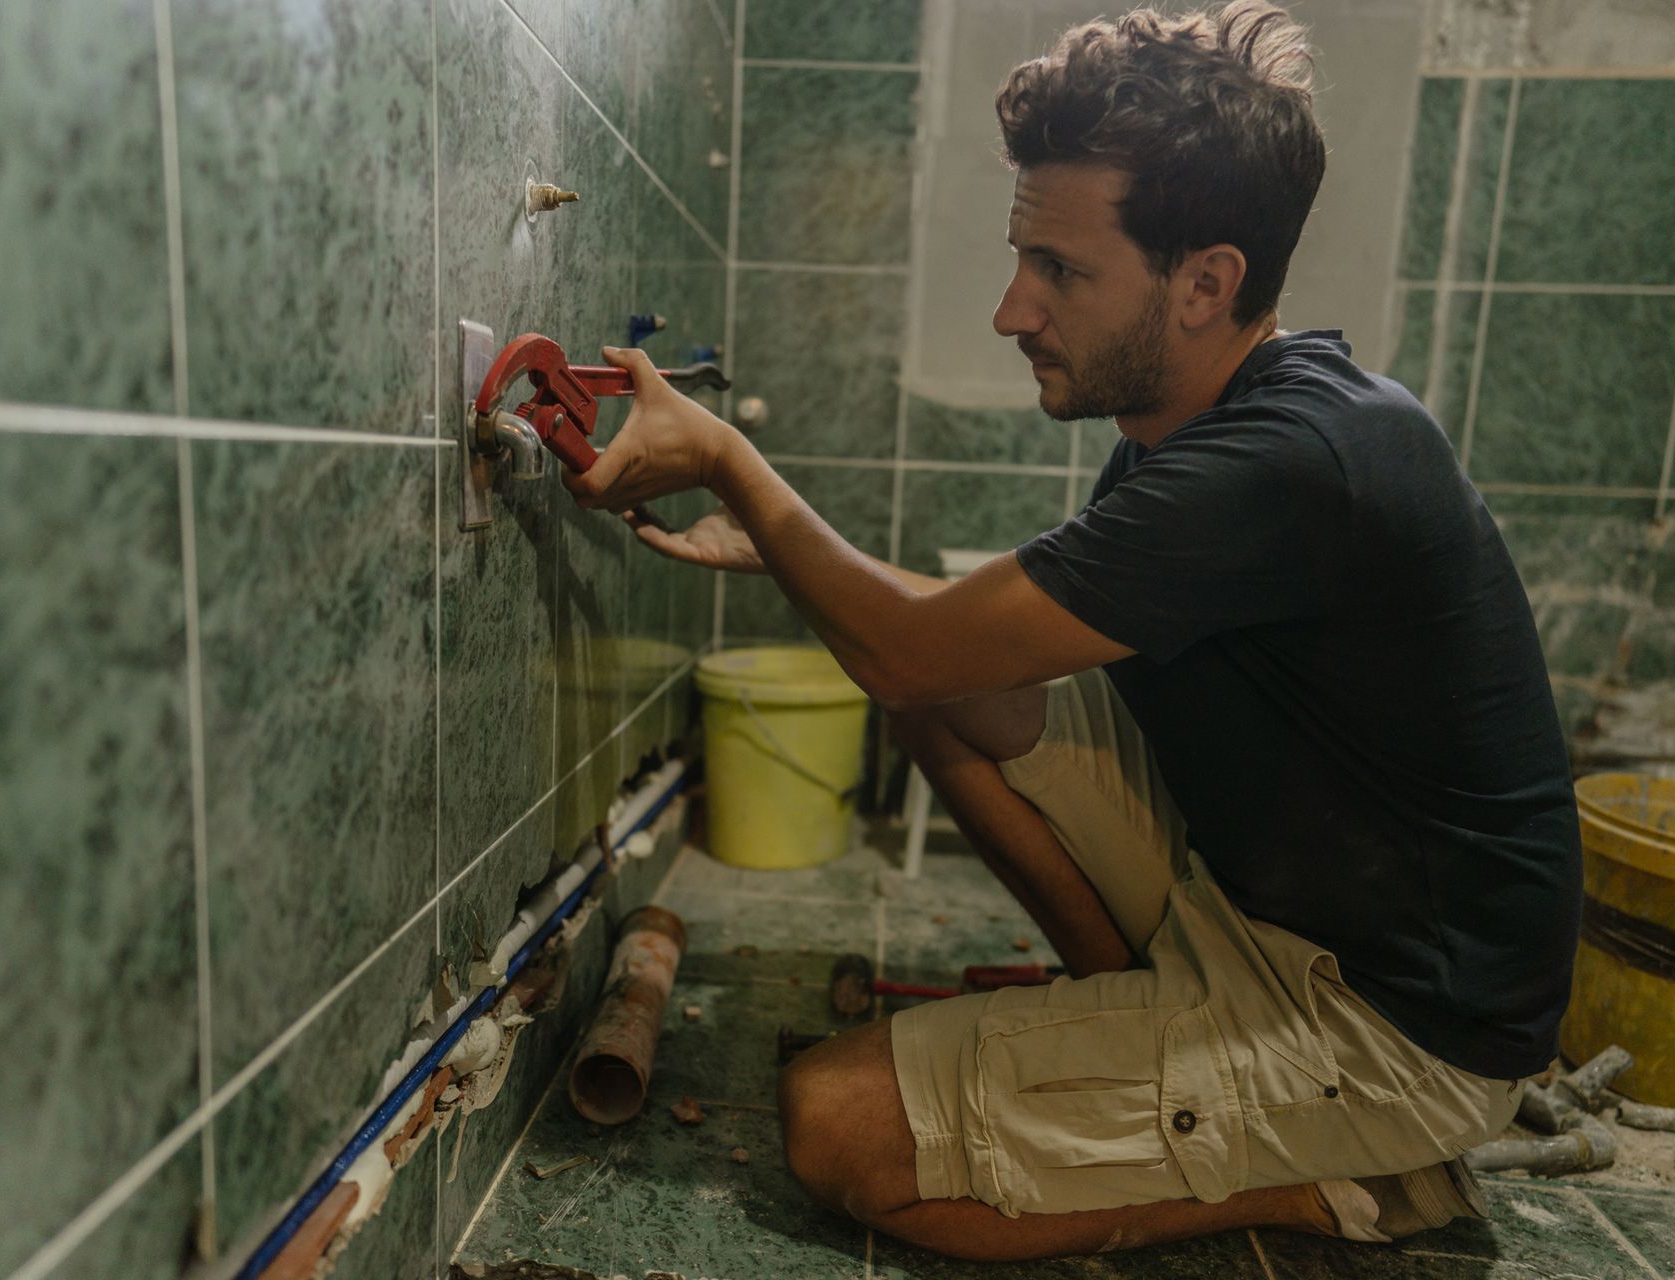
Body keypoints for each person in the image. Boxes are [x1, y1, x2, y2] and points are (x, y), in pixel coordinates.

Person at [563, 2, 1583, 1261]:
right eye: (1021, 258)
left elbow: (914, 644)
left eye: (1061, 270)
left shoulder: (1292, 459)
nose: (1012, 310)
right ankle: (1134, 1034)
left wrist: (729, 461)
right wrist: (780, 544)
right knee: (940, 690)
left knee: (838, 1125)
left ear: (1206, 282)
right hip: (1269, 917)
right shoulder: (1192, 436)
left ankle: (1349, 1179)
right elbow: (946, 655)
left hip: (1394, 1028)